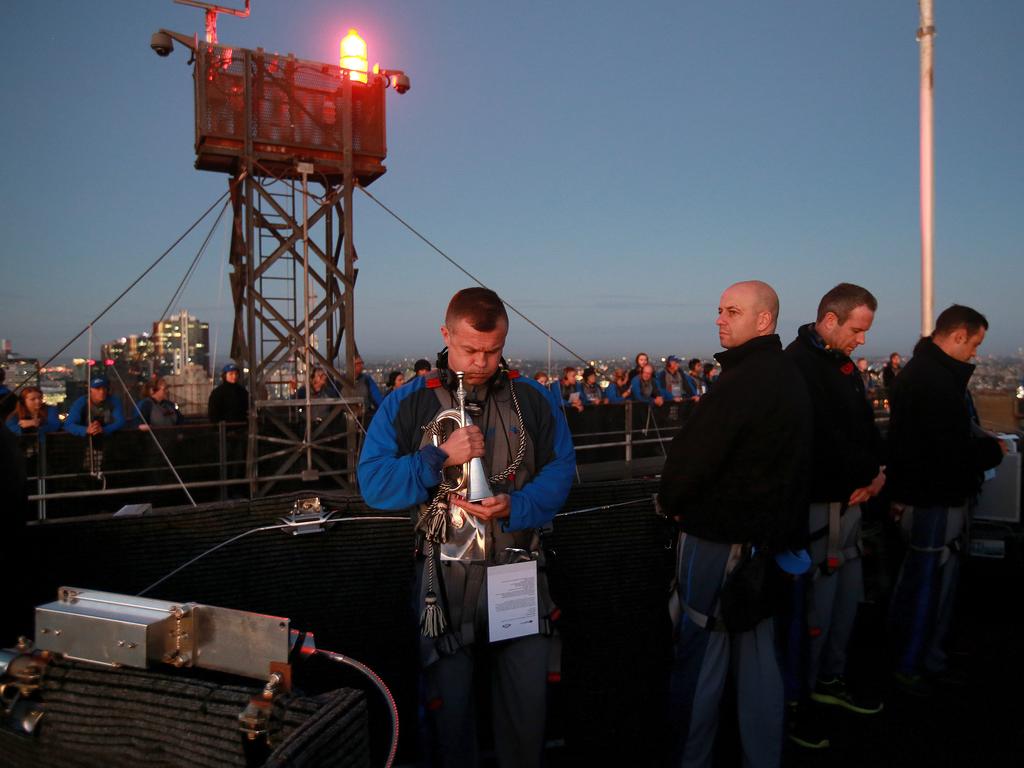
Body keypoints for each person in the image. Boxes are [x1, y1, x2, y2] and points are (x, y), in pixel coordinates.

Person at [357, 287, 575, 768]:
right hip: (443, 583)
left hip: (519, 570)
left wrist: (516, 506)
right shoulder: (406, 404)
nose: (480, 362)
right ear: (445, 335)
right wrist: (438, 455)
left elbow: (562, 471)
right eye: (469, 350)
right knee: (448, 715)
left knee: (527, 711)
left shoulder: (534, 399)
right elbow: (373, 484)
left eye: (493, 351)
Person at [659, 280, 812, 768]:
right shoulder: (785, 374)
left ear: (763, 321)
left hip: (720, 541)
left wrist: (671, 501)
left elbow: (693, 460)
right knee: (759, 657)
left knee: (701, 655)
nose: (720, 319)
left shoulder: (743, 380)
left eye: (732, 311)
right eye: (719, 311)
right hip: (765, 545)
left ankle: (690, 757)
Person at [783, 283, 886, 748]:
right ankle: (795, 699)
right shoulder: (798, 368)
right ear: (830, 320)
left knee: (844, 602)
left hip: (851, 503)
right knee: (813, 611)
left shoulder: (841, 367)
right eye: (857, 330)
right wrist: (862, 476)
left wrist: (878, 472)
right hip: (821, 509)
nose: (861, 340)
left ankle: (829, 679)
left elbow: (860, 426)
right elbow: (811, 445)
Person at [886, 304, 1005, 696]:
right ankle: (911, 663)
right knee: (926, 584)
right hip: (934, 500)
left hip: (931, 496)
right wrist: (992, 453)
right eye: (975, 344)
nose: (975, 353)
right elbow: (941, 451)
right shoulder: (933, 382)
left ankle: (922, 656)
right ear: (957, 336)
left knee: (928, 581)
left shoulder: (927, 375)